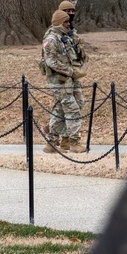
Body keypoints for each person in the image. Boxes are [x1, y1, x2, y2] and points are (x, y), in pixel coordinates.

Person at [41, 9, 86, 153]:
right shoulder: (52, 39)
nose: (69, 23)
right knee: (71, 109)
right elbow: (50, 61)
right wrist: (70, 71)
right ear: (60, 22)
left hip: (68, 80)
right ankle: (74, 142)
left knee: (60, 110)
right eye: (66, 21)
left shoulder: (65, 36)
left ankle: (52, 142)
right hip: (58, 81)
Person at [58, 0, 87, 114]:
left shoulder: (72, 30)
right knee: (66, 105)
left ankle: (53, 129)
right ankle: (63, 129)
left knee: (77, 103)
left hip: (74, 72)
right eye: (67, 11)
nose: (70, 14)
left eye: (72, 11)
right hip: (62, 75)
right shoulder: (56, 32)